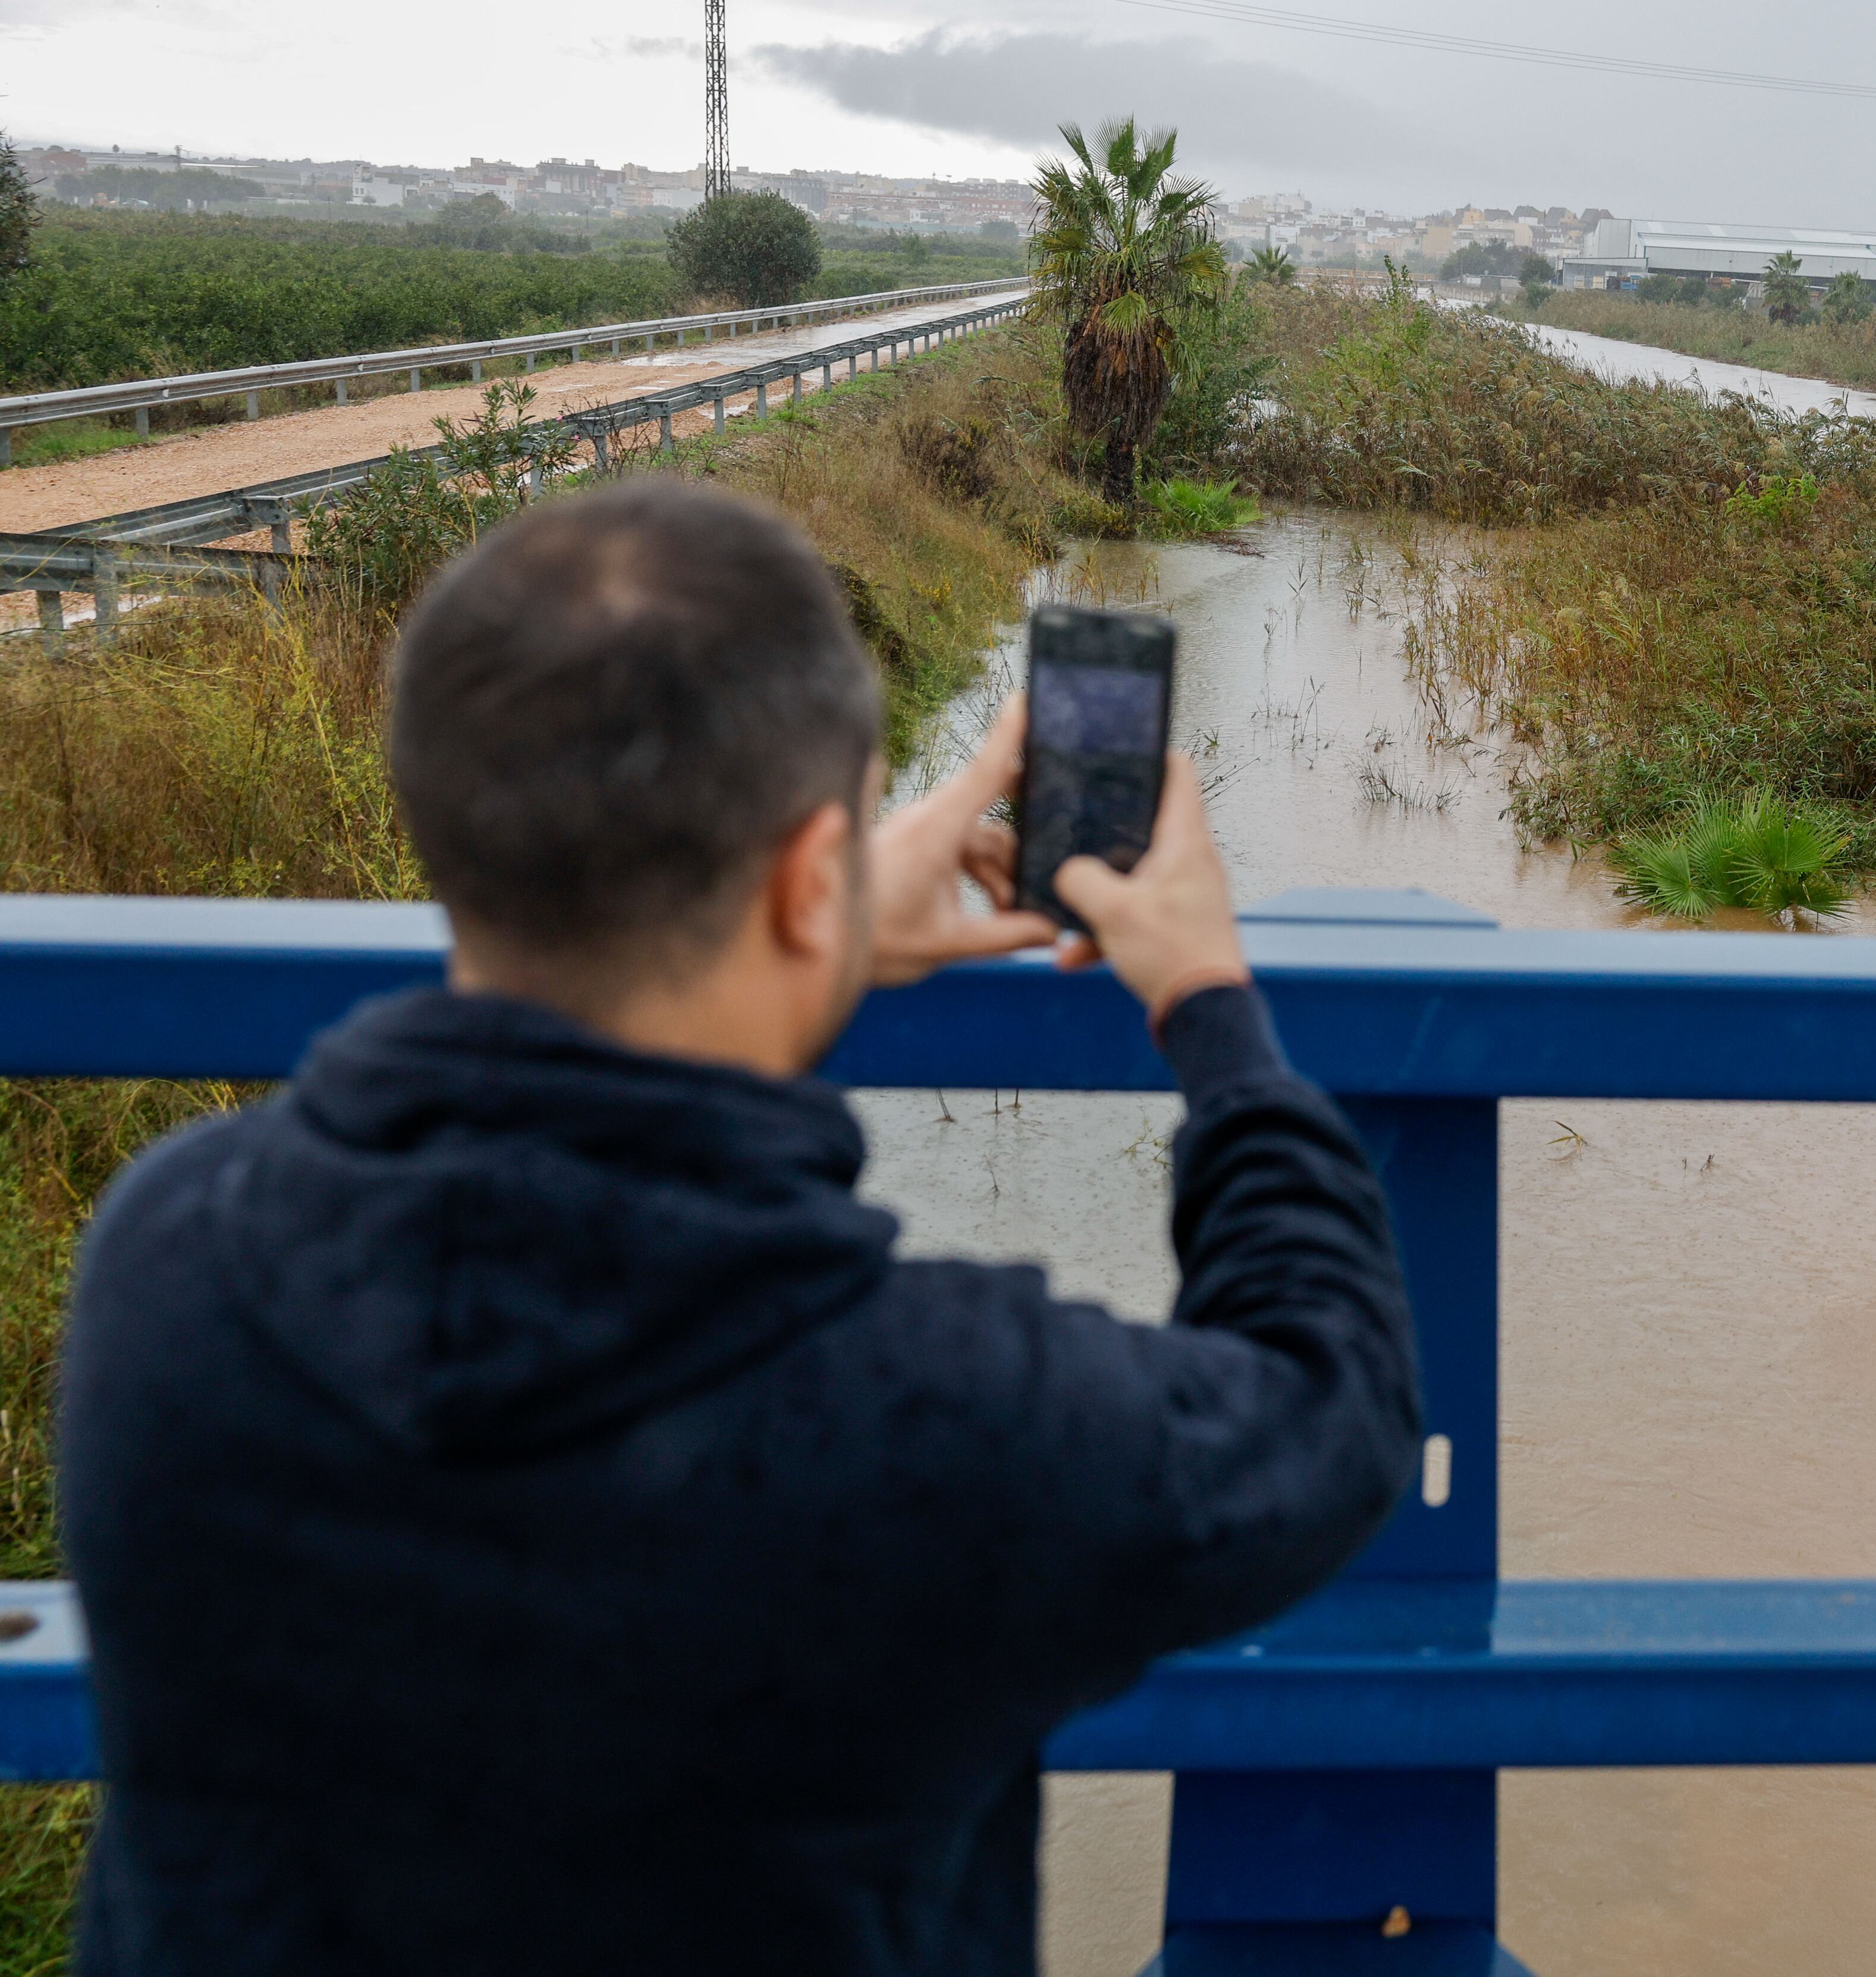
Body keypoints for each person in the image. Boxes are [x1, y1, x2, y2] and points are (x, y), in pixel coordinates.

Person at [56, 479, 1424, 1976]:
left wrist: (809, 930)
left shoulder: (166, 1258)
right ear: (801, 876)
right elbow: (1328, 1405)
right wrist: (1212, 1009)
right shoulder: (949, 1420)